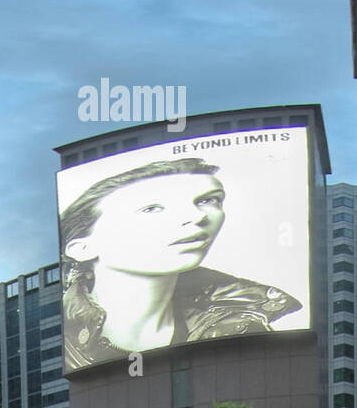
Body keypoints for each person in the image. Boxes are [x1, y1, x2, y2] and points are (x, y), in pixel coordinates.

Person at [58, 155, 303, 368]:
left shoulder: (243, 328)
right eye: (152, 208)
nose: (197, 217)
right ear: (82, 248)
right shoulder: (57, 340)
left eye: (209, 200)